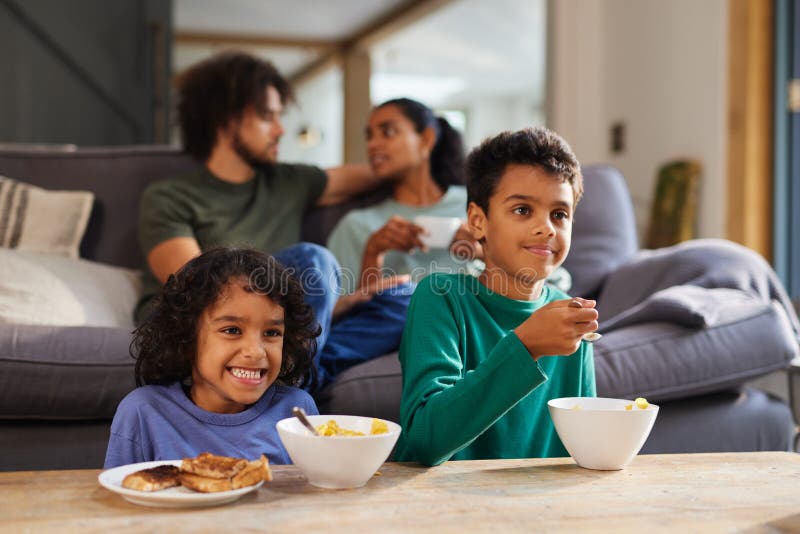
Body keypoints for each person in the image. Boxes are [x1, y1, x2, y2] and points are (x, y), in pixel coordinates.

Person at [135, 51, 400, 389]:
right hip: (199, 324)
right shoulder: (169, 196)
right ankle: (294, 382)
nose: (280, 130)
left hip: (280, 328)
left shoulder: (287, 182)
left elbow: (363, 176)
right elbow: (198, 291)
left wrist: (415, 153)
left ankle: (296, 372)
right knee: (312, 258)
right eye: (267, 117)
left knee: (405, 300)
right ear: (225, 119)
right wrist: (314, 306)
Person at [394, 127, 599, 466]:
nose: (547, 228)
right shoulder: (441, 297)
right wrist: (524, 346)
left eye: (559, 214)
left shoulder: (570, 316)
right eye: (522, 210)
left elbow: (585, 444)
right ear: (478, 221)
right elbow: (426, 441)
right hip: (438, 505)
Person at [105, 248, 319, 468]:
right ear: (186, 337)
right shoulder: (143, 411)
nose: (256, 351)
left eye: (272, 333)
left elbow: (318, 497)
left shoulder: (295, 411)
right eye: (232, 330)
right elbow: (119, 496)